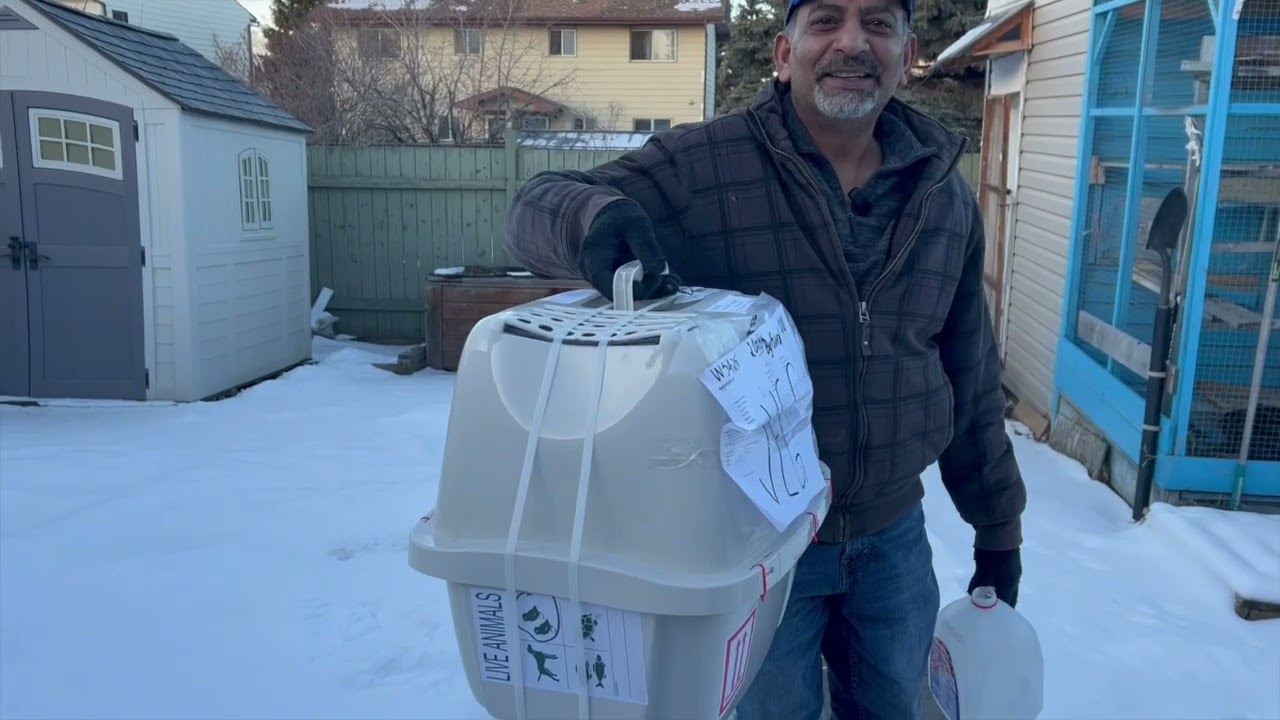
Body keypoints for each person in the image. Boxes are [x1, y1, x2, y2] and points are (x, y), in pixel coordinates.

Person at [502, 0, 1028, 715]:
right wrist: (591, 222)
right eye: (827, 21)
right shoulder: (705, 166)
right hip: (756, 549)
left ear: (908, 55)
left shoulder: (942, 195)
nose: (852, 41)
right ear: (784, 54)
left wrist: (997, 525)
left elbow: (968, 371)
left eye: (878, 23)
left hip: (894, 541)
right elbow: (534, 207)